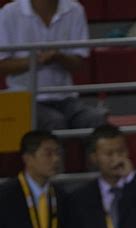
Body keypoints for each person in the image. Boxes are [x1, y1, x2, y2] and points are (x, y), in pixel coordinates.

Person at [0, 0, 108, 131]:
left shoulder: (75, 9)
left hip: (66, 98)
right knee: (54, 122)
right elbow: (2, 65)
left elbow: (79, 63)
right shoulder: (9, 12)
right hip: (24, 99)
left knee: (95, 119)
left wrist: (58, 57)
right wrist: (36, 60)